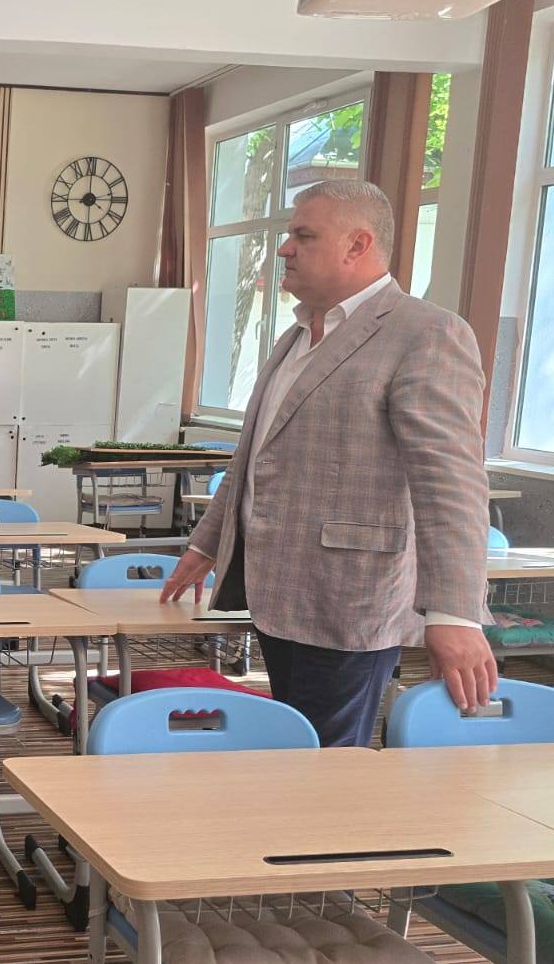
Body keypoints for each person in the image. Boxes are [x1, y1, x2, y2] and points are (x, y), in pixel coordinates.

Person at [160, 179, 494, 747]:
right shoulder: (296, 336)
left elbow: (452, 484)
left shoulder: (427, 333)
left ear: (357, 245)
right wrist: (207, 543)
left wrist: (455, 614)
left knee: (328, 765)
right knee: (293, 749)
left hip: (351, 600)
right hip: (278, 592)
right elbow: (254, 456)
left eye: (303, 235)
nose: (285, 248)